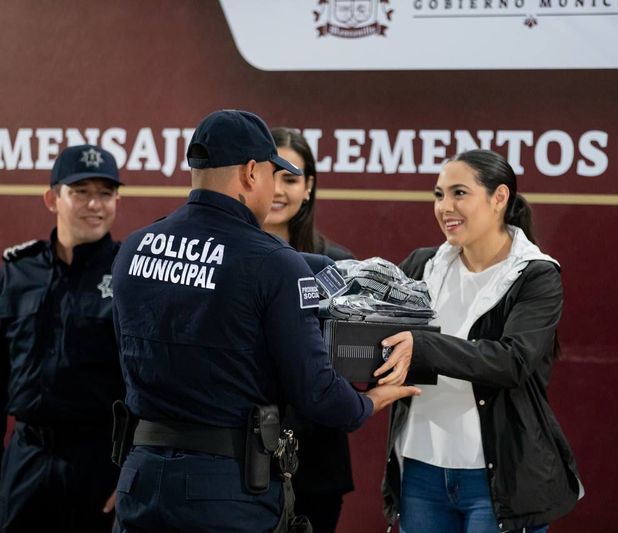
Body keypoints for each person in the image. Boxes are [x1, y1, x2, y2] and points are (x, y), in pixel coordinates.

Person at [111, 109, 420, 533]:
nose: (275, 188)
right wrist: (367, 403)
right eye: (276, 175)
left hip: (140, 477)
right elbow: (315, 389)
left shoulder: (133, 247)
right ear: (252, 172)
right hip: (227, 488)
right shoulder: (274, 264)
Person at [378, 149, 582, 532]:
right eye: (439, 195)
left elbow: (511, 361)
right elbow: (381, 338)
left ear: (499, 197)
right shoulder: (421, 265)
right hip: (419, 470)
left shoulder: (535, 275)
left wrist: (423, 346)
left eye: (459, 193)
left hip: (498, 479)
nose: (445, 207)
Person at [0, 144, 124, 532]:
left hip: (100, 463)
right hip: (26, 459)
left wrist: (131, 471)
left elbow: (149, 381)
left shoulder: (130, 275)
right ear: (53, 199)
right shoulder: (17, 272)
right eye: (81, 191)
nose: (95, 204)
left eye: (106, 193)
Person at [262, 127, 355, 533]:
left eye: (291, 177)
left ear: (309, 186)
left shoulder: (337, 266)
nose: (279, 190)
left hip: (315, 464)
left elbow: (350, 370)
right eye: (271, 174)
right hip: (233, 460)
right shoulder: (224, 262)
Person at [263, 127, 353, 260]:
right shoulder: (224, 255)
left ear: (308, 186)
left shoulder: (336, 262)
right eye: (267, 178)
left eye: (290, 180)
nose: (276, 190)